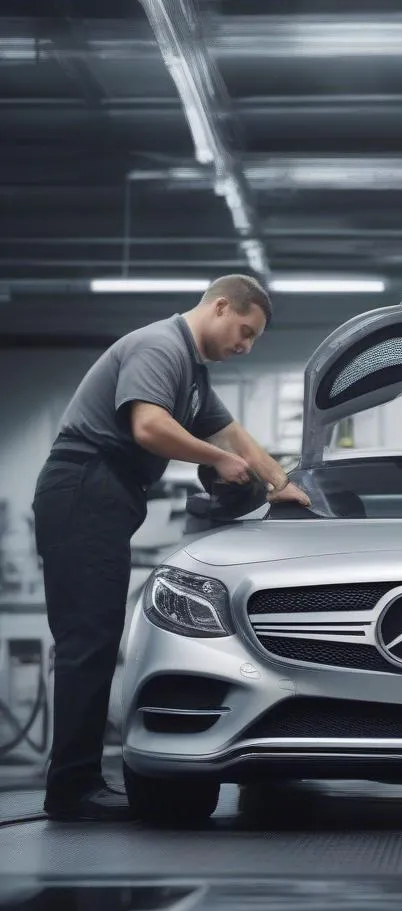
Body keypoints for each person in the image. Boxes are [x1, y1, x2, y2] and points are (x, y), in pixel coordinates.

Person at [33, 274, 310, 823]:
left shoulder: (193, 376)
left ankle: (76, 782)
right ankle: (71, 789)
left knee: (95, 636)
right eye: (245, 332)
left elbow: (235, 437)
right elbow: (148, 426)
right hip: (84, 483)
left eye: (254, 340)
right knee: (87, 640)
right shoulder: (160, 346)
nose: (245, 346)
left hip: (105, 493)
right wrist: (213, 461)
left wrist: (279, 484)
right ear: (221, 306)